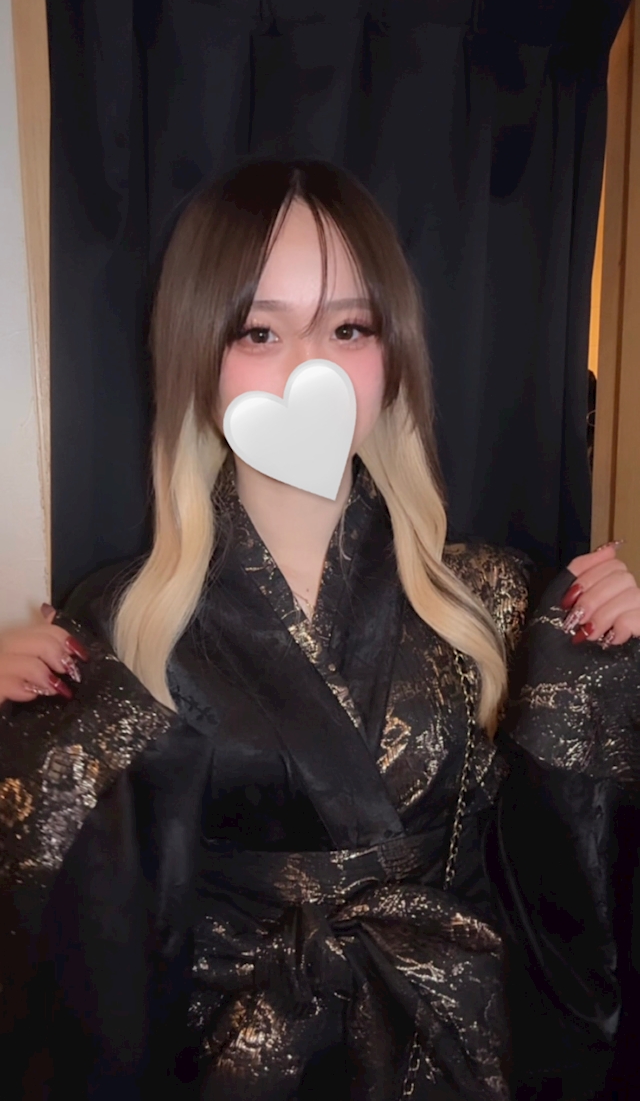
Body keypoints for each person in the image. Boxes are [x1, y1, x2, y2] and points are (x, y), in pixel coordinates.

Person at [0, 160, 639, 1101]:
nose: (311, 364)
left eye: (348, 327)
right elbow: (78, 934)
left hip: (454, 1049)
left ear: (393, 352)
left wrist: (611, 652)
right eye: (260, 330)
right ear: (196, 351)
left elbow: (569, 876)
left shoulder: (495, 600)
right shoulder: (118, 620)